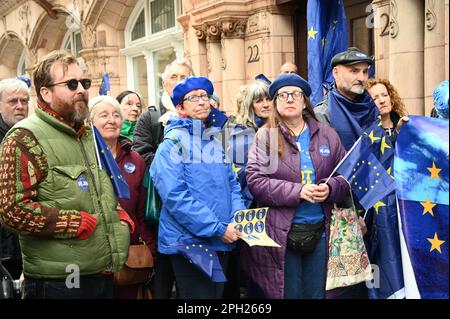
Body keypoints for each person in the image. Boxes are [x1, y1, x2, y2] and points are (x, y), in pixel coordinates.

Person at [0, 50, 132, 299]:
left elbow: (95, 192)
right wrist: (72, 222)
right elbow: (11, 211)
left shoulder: (88, 133)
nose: (81, 89)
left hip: (100, 273)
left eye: (84, 83)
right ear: (45, 93)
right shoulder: (23, 137)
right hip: (58, 282)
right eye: (71, 84)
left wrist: (116, 217)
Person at [242, 73, 349, 299]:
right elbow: (256, 181)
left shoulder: (327, 135)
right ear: (275, 103)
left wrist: (330, 188)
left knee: (317, 294)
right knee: (287, 294)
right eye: (283, 95)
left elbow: (346, 177)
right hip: (281, 233)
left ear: (304, 101)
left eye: (295, 94)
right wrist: (298, 191)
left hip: (322, 231)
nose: (289, 99)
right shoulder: (266, 137)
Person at [150, 76, 246, 299]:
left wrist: (237, 218)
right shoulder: (171, 144)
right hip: (190, 243)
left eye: (205, 96)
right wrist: (218, 229)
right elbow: (176, 197)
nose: (202, 102)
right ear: (180, 107)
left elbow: (232, 185)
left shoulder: (213, 141)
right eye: (193, 98)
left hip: (223, 238)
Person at [132, 59, 194, 299]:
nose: (179, 83)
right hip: (161, 203)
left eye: (184, 78)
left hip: (192, 206)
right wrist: (170, 171)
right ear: (163, 82)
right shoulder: (150, 117)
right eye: (174, 78)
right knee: (163, 274)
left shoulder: (201, 116)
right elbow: (141, 153)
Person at [88, 95, 157, 299]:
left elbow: (142, 210)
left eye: (116, 115)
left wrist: (151, 249)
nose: (112, 120)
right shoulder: (81, 155)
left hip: (129, 255)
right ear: (90, 122)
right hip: (92, 255)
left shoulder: (135, 158)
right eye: (104, 115)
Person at [0, 78, 30, 287]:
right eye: (13, 101)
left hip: (30, 242)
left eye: (24, 101)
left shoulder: (34, 134)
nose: (20, 106)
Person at [227, 80, 273, 208]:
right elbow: (242, 176)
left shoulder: (279, 128)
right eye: (258, 101)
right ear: (250, 106)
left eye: (268, 99)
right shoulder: (241, 134)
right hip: (252, 205)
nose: (265, 105)